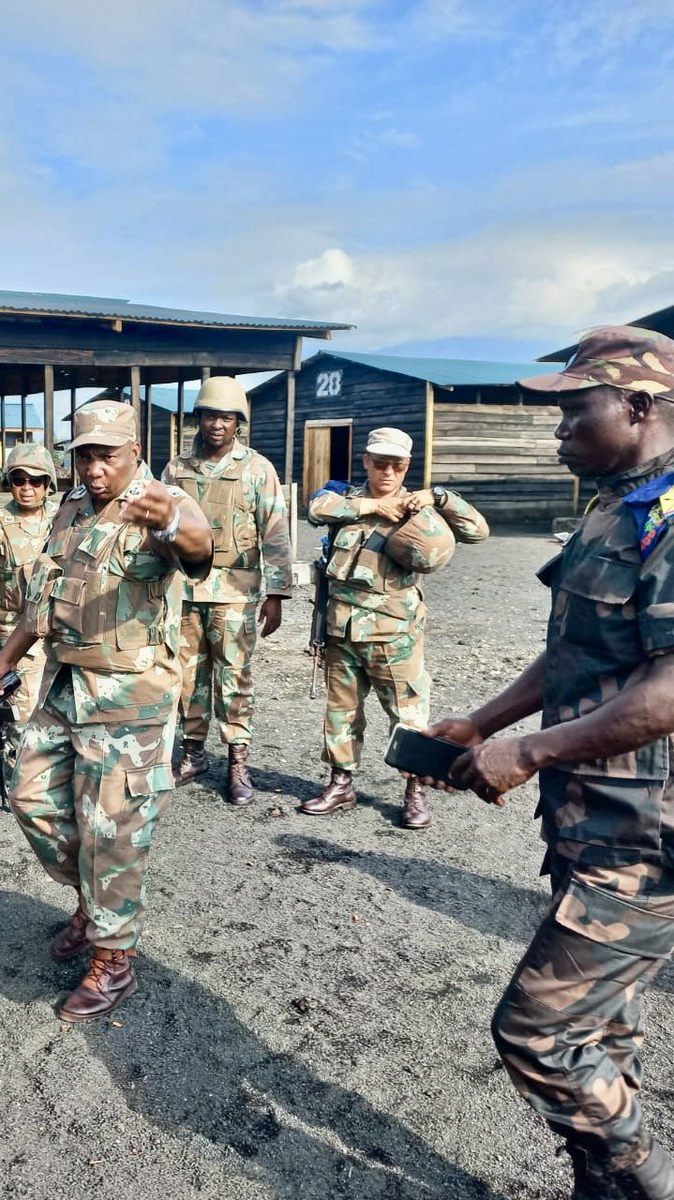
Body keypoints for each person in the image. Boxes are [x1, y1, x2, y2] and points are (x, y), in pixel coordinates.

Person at [427, 327, 674, 1198]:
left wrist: (528, 750)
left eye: (577, 409)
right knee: (603, 1030)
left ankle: (644, 1178)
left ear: (639, 407)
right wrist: (482, 721)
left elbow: (670, 691)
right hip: (596, 819)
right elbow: (577, 649)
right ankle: (600, 1185)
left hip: (648, 838)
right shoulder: (619, 503)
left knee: (537, 1031)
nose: (557, 429)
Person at [0, 400, 213, 1021]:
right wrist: (8, 656)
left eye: (105, 454)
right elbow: (45, 598)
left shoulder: (164, 503)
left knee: (111, 829)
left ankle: (114, 959)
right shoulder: (70, 509)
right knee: (31, 799)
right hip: (64, 684)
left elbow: (198, 551)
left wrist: (173, 521)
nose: (92, 467)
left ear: (134, 451)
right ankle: (93, 903)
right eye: (84, 453)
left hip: (130, 698)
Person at [301, 427, 488, 829]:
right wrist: (370, 508)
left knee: (407, 714)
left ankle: (415, 790)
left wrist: (439, 496)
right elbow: (315, 507)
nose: (387, 472)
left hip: (393, 633)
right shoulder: (345, 497)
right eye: (379, 462)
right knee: (341, 712)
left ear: (407, 466)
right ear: (366, 460)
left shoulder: (419, 508)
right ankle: (341, 783)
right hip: (341, 628)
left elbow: (478, 532)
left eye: (396, 465)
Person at [163, 376, 292, 804]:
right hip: (184, 590)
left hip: (236, 592)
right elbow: (161, 530)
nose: (217, 424)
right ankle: (193, 753)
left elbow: (275, 532)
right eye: (209, 415)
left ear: (239, 422)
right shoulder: (176, 469)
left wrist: (276, 594)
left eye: (226, 417)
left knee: (235, 678)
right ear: (197, 418)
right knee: (187, 679)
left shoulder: (257, 469)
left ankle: (238, 762)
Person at [0, 441, 59, 759]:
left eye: (36, 481)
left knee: (58, 705)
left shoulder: (64, 521)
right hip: (14, 631)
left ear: (48, 484)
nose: (27, 488)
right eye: (19, 480)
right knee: (24, 710)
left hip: (60, 630)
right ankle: (24, 771)